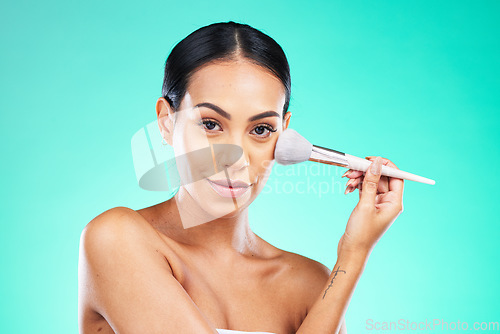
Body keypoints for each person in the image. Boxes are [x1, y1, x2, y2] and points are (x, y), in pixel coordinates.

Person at [78, 21, 404, 334]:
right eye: (210, 124)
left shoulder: (311, 283)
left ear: (284, 134)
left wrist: (352, 255)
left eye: (261, 129)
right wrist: (351, 260)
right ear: (166, 122)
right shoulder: (116, 239)